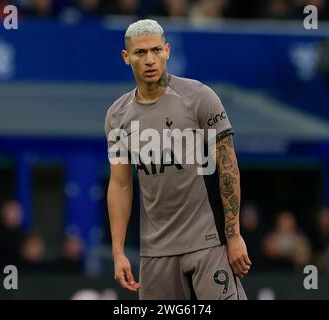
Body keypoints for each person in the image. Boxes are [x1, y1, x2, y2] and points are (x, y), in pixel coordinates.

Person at [105, 19, 251, 300]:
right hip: (156, 252)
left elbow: (228, 169)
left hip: (208, 242)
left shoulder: (199, 98)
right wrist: (118, 252)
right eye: (140, 53)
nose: (150, 59)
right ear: (126, 57)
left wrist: (233, 236)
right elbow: (121, 185)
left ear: (168, 51)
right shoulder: (117, 116)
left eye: (156, 50)